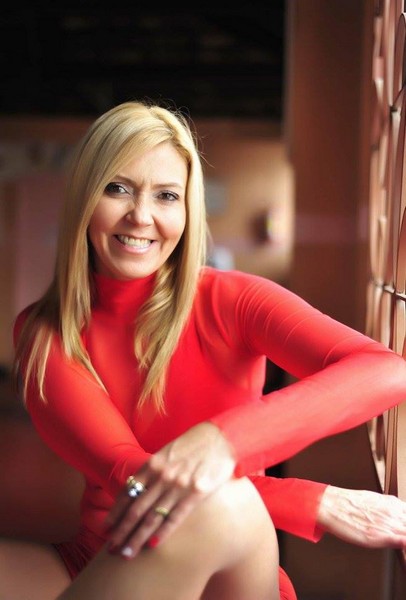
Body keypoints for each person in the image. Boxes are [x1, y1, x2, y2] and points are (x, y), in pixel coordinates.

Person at [1, 99, 406, 600]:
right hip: (108, 556)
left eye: (166, 196)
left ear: (187, 210)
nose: (141, 216)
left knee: (228, 505)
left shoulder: (232, 299)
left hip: (225, 556)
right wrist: (310, 501)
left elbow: (386, 370)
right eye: (117, 188)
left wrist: (221, 442)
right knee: (227, 499)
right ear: (84, 197)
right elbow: (132, 477)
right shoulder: (45, 332)